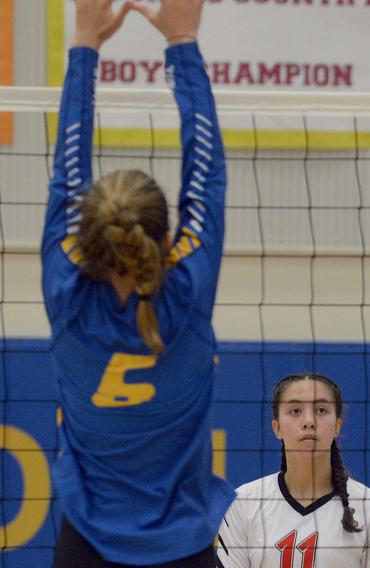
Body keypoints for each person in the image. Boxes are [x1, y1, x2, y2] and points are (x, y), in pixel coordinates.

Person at [43, 1, 233, 565]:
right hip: (184, 547)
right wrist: (183, 41)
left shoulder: (66, 294)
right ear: (163, 234)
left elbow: (64, 173)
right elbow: (208, 171)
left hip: (87, 547)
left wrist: (84, 41)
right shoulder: (187, 291)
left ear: (87, 235)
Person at [215, 373, 370, 567]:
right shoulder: (244, 502)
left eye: (321, 410)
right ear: (276, 427)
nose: (309, 421)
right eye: (295, 411)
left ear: (337, 425)